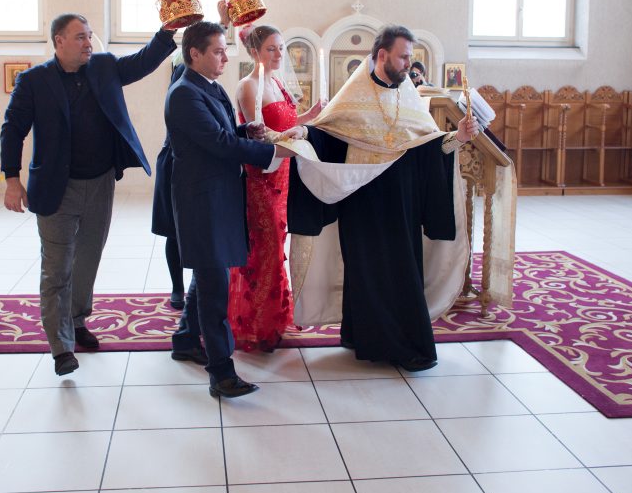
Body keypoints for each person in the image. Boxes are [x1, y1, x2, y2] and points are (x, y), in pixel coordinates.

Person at [288, 25, 477, 372]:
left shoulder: (408, 95)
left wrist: (456, 138)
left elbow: (428, 145)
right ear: (382, 55)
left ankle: (409, 346)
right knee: (365, 274)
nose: (409, 63)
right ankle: (365, 339)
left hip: (402, 206)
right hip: (363, 205)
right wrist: (305, 132)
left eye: (410, 57)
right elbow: (328, 136)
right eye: (404, 56)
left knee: (404, 272)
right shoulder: (353, 96)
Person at [0, 12, 176, 376]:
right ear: (58, 41)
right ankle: (61, 347)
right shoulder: (33, 81)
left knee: (88, 259)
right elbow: (12, 129)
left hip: (99, 184)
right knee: (56, 268)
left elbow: (142, 62)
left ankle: (77, 320)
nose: (87, 43)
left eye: (90, 36)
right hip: (54, 189)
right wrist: (11, 179)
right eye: (80, 37)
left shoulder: (104, 67)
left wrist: (166, 32)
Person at [165, 20, 294, 398]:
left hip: (220, 196)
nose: (225, 56)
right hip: (203, 203)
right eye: (218, 51)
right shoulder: (185, 94)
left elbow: (224, 133)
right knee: (215, 289)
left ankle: (186, 339)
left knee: (209, 276)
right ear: (195, 54)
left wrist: (246, 133)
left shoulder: (209, 87)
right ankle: (221, 374)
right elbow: (217, 143)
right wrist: (272, 150)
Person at [232, 22, 324, 351]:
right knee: (264, 246)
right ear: (254, 52)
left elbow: (287, 123)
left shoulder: (278, 82)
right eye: (271, 48)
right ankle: (255, 324)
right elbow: (260, 134)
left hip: (283, 173)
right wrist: (292, 136)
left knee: (278, 243)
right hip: (261, 176)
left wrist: (309, 116)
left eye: (281, 48)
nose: (278, 54)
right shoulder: (248, 86)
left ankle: (275, 317)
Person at [151, 52, 187, 310]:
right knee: (173, 232)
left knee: (198, 231)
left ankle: (196, 285)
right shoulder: (180, 91)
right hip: (173, 162)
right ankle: (177, 287)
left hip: (196, 166)